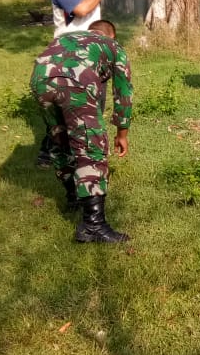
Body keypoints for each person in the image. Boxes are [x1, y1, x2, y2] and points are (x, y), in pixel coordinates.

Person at [30, 19, 133, 243]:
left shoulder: (65, 38)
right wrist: (122, 134)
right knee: (90, 145)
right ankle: (93, 226)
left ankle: (74, 197)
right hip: (74, 83)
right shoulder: (113, 46)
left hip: (40, 79)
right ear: (111, 36)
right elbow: (123, 93)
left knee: (60, 139)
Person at [38, 0, 115, 166]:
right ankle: (49, 152)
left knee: (95, 106)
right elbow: (80, 10)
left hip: (90, 57)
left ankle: (85, 153)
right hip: (68, 58)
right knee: (65, 109)